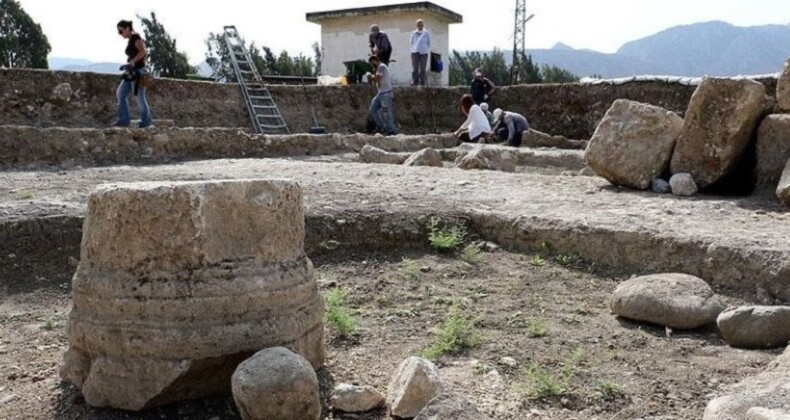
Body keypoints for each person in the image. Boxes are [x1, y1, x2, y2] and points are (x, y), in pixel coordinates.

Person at [115, 20, 153, 128]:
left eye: (120, 31)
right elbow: (140, 54)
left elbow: (143, 52)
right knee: (120, 94)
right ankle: (124, 120)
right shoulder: (131, 40)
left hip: (138, 72)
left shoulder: (136, 38)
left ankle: (146, 122)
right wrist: (130, 62)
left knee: (140, 97)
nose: (120, 34)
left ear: (127, 28)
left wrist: (133, 62)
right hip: (131, 72)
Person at [368, 55, 397, 135]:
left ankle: (391, 130)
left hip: (386, 94)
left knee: (387, 113)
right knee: (373, 109)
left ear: (374, 61)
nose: (371, 65)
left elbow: (377, 78)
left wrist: (370, 77)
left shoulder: (381, 67)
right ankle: (381, 126)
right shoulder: (378, 68)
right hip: (381, 93)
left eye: (371, 63)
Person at [409, 19, 431, 86]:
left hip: (424, 53)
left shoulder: (426, 33)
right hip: (415, 52)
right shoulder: (413, 33)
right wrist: (416, 48)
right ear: (417, 25)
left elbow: (428, 43)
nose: (420, 26)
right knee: (415, 68)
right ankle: (415, 82)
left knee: (423, 68)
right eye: (419, 25)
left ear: (423, 25)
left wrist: (424, 48)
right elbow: (411, 42)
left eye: (421, 25)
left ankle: (422, 83)